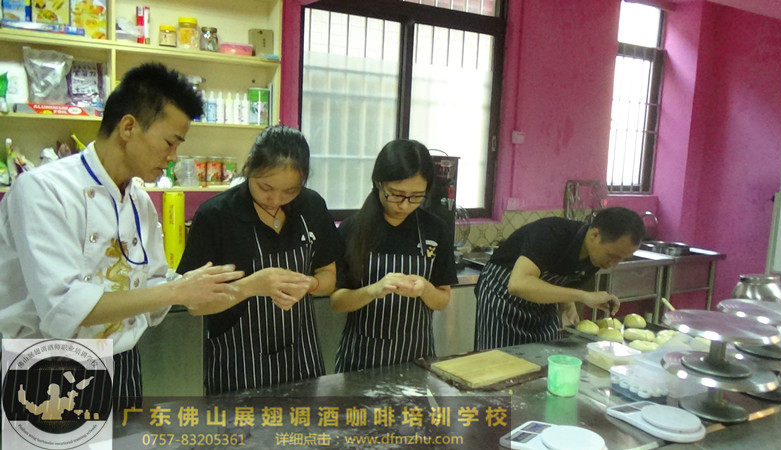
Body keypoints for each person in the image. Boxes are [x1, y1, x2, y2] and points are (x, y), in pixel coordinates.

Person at [0, 63, 245, 404]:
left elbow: (153, 282)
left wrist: (188, 288)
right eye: (170, 143)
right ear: (128, 127)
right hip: (48, 365)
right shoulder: (43, 190)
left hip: (124, 361)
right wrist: (175, 291)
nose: (173, 157)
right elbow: (65, 307)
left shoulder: (139, 201)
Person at [177, 125, 343, 394]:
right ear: (249, 168)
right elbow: (195, 305)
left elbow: (329, 276)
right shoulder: (216, 216)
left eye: (290, 190)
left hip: (302, 359)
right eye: (265, 187)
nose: (275, 199)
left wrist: (309, 284)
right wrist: (251, 286)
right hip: (238, 366)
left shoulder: (311, 206)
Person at [332, 139, 458, 373]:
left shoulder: (435, 230)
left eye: (416, 196)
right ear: (378, 183)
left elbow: (442, 299)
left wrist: (425, 289)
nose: (405, 205)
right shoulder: (352, 229)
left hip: (417, 358)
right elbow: (337, 302)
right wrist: (373, 290)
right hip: (360, 360)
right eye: (396, 194)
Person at [474, 206, 645, 350]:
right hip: (503, 299)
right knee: (501, 362)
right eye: (612, 255)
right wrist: (582, 296)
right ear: (595, 235)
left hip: (541, 306)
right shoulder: (551, 233)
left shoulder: (595, 256)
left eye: (621, 259)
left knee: (545, 356)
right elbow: (518, 284)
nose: (613, 264)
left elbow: (562, 282)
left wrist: (567, 305)